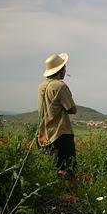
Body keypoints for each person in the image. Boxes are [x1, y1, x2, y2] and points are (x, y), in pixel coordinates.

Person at [37, 52, 77, 186]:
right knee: (68, 170)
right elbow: (72, 109)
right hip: (61, 134)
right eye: (64, 68)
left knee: (53, 170)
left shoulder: (42, 86)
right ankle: (69, 198)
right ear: (60, 70)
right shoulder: (60, 86)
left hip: (45, 135)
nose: (65, 70)